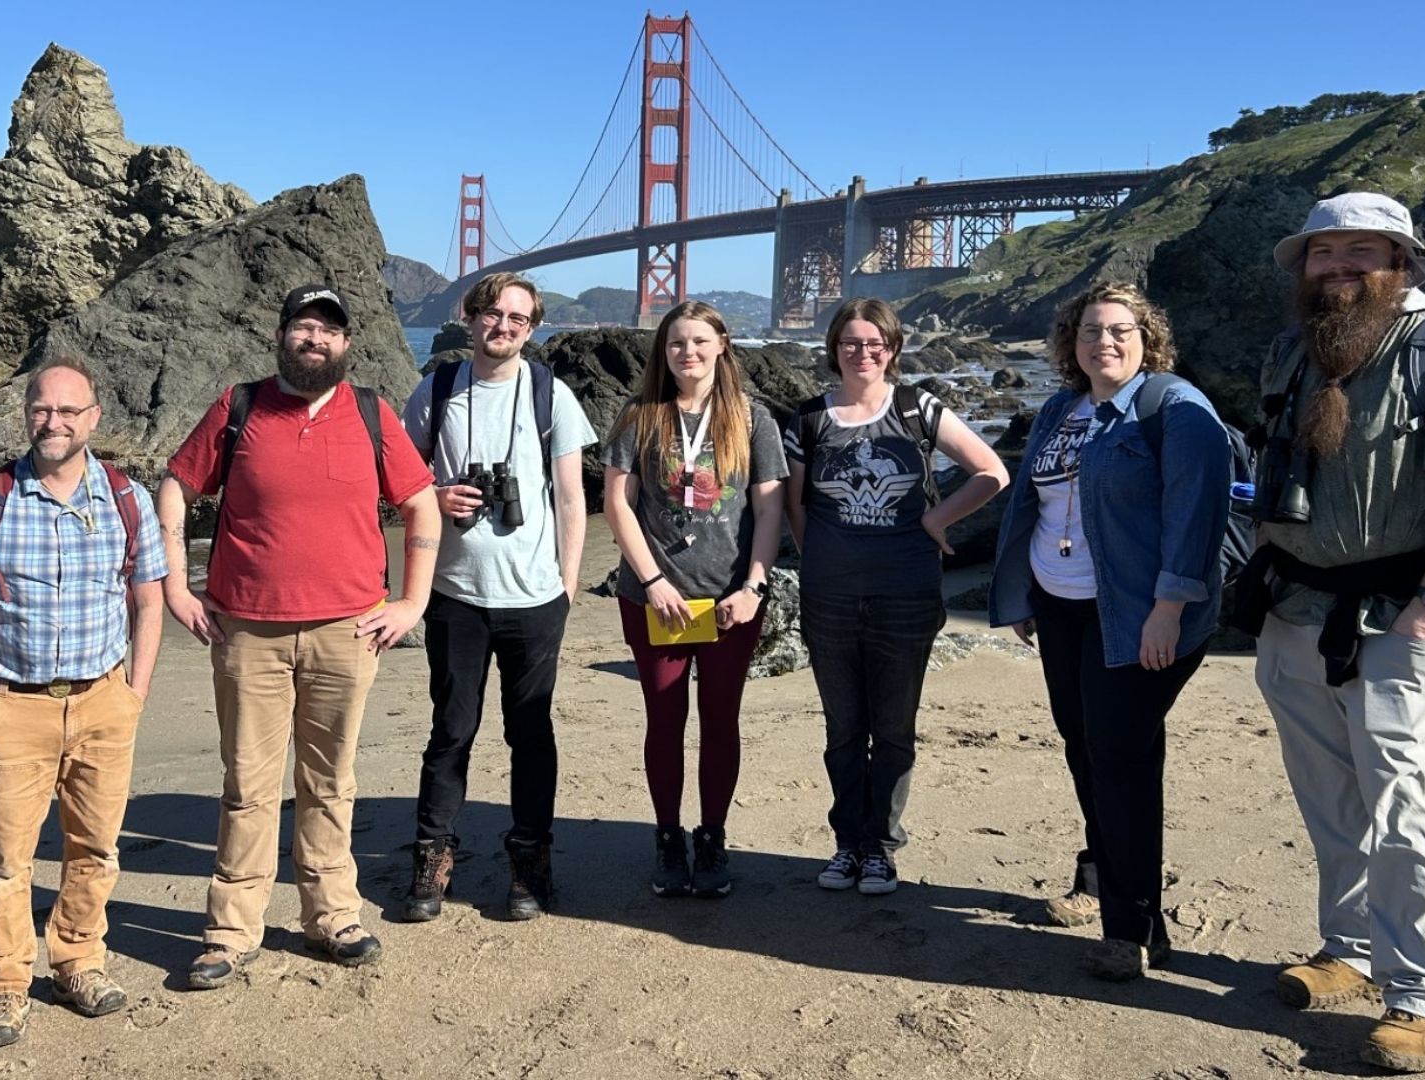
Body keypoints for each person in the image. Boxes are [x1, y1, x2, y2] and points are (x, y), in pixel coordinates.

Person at [1237, 193, 1425, 1073]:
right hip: (1299, 608)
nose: (1339, 267)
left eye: (1362, 251)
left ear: (1401, 262)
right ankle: (1351, 950)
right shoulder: (1296, 350)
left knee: (1405, 805)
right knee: (1330, 798)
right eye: (1324, 252)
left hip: (1401, 614)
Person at [156, 284, 440, 987]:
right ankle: (229, 932)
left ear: (347, 344)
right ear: (282, 334)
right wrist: (172, 586)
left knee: (329, 782)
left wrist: (411, 602)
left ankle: (332, 916)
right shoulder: (238, 406)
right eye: (304, 327)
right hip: (247, 630)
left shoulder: (372, 413)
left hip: (348, 632)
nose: (316, 339)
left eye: (330, 331)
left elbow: (421, 506)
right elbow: (173, 490)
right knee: (247, 787)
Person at [988, 282, 1233, 980]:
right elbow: (1035, 507)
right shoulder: (1060, 410)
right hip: (1060, 606)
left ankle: (1131, 928)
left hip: (1136, 613)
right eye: (1090, 330)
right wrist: (1022, 593)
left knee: (1121, 760)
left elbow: (1198, 516)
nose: (1105, 342)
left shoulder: (1177, 411)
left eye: (1120, 329)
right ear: (1071, 343)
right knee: (1083, 747)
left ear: (1146, 337)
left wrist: (1169, 608)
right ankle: (1107, 879)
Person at [0, 356, 168, 1049]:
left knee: (95, 849)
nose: (53, 422)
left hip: (103, 703)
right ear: (25, 413)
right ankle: (4, 986)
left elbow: (149, 601)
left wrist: (135, 693)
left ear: (94, 419)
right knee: (7, 860)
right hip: (12, 708)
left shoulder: (127, 498)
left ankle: (78, 963)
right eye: (41, 408)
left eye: (69, 411)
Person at [784, 297, 1007, 895]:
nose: (864, 353)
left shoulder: (916, 407)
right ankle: (846, 843)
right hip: (830, 598)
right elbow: (796, 510)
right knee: (842, 729)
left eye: (875, 343)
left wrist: (939, 520)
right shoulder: (807, 420)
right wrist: (825, 564)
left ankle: (881, 847)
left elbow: (992, 471)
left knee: (894, 727)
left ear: (894, 350)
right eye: (852, 343)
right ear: (834, 349)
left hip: (906, 594)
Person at [398, 272, 595, 922]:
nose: (502, 326)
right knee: (451, 732)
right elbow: (401, 483)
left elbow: (572, 499)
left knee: (530, 735)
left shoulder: (550, 394)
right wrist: (435, 496)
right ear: (470, 316)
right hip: (456, 595)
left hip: (534, 600)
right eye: (491, 314)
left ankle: (530, 865)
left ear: (531, 328)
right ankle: (432, 858)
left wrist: (566, 589)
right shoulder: (439, 389)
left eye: (516, 318)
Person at [602, 300, 788, 898]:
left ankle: (711, 836)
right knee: (664, 719)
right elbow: (617, 505)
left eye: (699, 342)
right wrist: (653, 582)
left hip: (729, 601)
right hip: (656, 600)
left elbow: (769, 508)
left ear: (723, 345)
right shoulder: (640, 416)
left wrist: (754, 587)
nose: (688, 353)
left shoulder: (753, 419)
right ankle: (666, 838)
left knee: (720, 721)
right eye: (677, 343)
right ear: (664, 351)